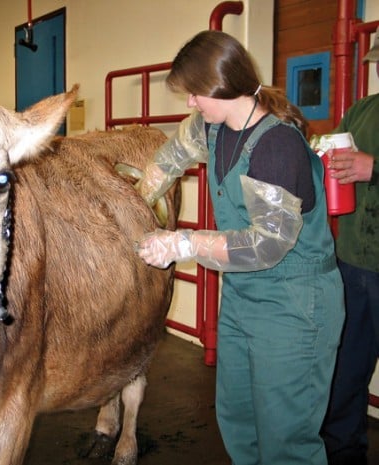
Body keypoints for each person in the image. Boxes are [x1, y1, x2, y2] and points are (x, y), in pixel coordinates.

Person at [135, 30, 345, 465]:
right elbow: (170, 158)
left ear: (220, 86)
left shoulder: (277, 145)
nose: (190, 103)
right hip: (244, 296)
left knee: (286, 439)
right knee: (239, 420)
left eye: (194, 93)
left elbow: (265, 246)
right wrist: (137, 200)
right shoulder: (213, 127)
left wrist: (182, 242)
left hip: (294, 303)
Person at [320, 27, 379, 465]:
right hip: (354, 267)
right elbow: (327, 153)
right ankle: (343, 457)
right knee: (344, 375)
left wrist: (371, 167)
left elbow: (365, 168)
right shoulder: (362, 110)